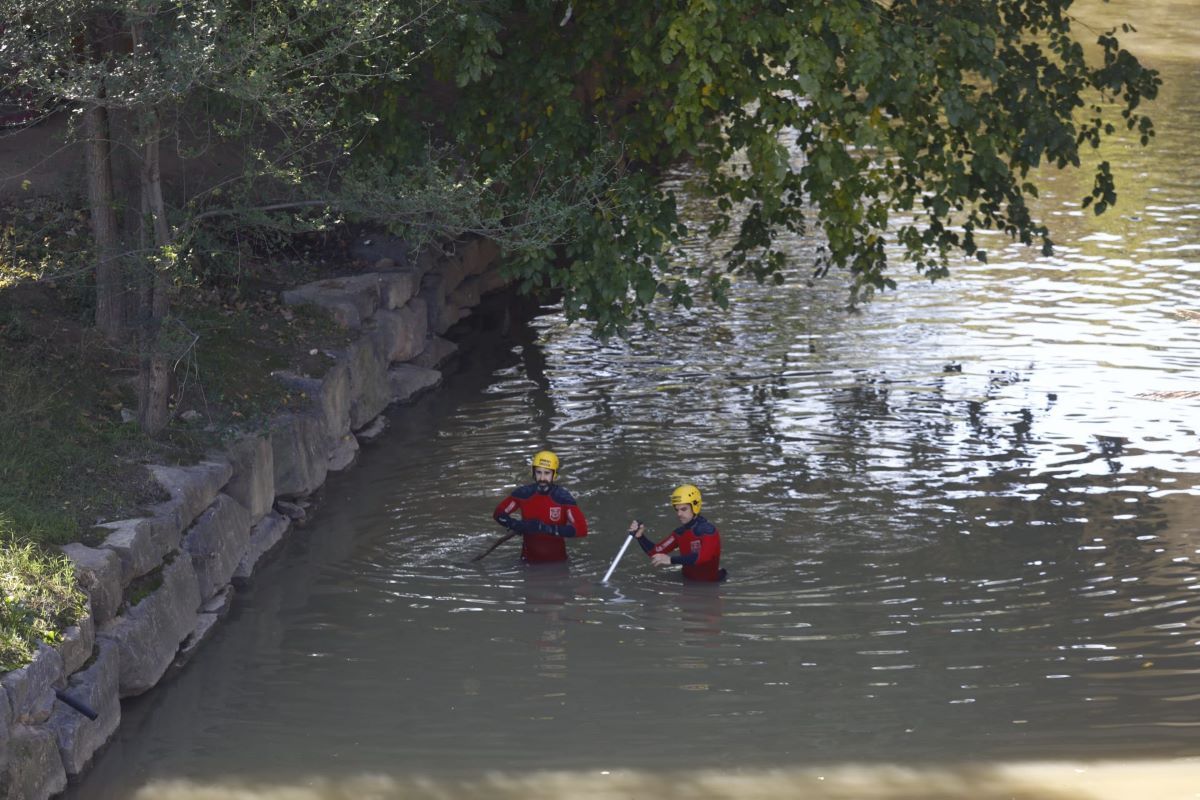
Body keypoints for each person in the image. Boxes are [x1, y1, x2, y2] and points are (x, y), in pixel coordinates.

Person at [492, 450, 589, 562]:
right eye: (539, 472)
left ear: (554, 474)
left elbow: (582, 529)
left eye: (547, 473)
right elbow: (499, 513)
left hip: (558, 563)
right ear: (534, 473)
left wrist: (545, 528)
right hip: (527, 562)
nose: (542, 478)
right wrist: (516, 525)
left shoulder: (563, 498)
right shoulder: (523, 494)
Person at [628, 484, 725, 582]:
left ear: (695, 506)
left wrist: (670, 560)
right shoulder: (679, 533)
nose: (679, 514)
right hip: (687, 581)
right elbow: (656, 552)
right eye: (677, 509)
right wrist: (640, 536)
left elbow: (703, 558)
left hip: (710, 586)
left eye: (683, 509)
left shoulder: (709, 531)